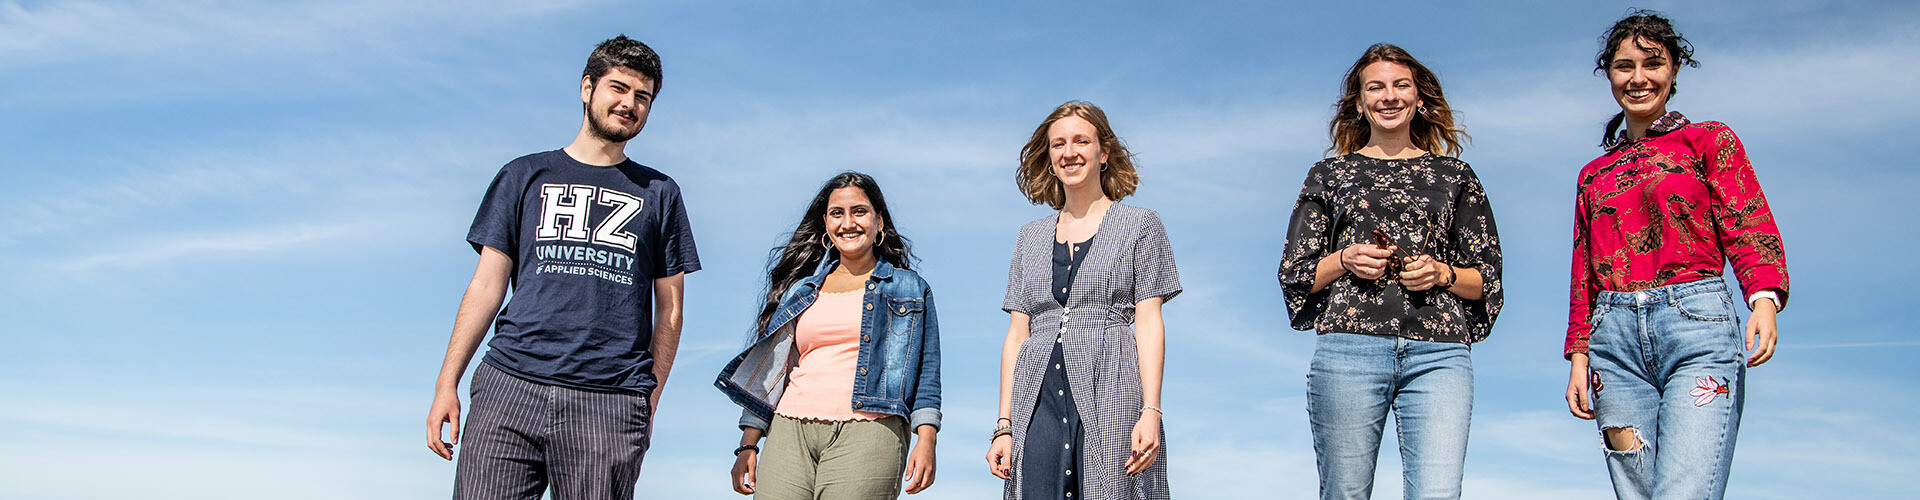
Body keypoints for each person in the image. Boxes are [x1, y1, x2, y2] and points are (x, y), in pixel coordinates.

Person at [424, 35, 700, 499]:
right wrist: (446, 381)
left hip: (610, 399)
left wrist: (647, 401)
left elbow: (669, 310)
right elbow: (486, 287)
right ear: (586, 87)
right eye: (618, 88)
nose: (629, 104)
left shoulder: (660, 193)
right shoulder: (524, 175)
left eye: (643, 97)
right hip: (509, 386)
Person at [1562, 11, 1789, 500]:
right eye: (1624, 67)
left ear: (1674, 71)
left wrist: (1764, 297)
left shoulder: (1707, 139)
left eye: (1653, 64)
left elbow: (1746, 217)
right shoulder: (1593, 174)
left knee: (1682, 491)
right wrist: (1579, 355)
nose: (1638, 78)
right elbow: (1585, 268)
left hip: (1696, 326)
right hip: (1613, 346)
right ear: (1609, 74)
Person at [1277, 43, 1504, 500]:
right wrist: (1345, 259)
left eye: (1401, 85)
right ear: (1359, 104)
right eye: (1375, 87)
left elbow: (1487, 280)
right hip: (1348, 350)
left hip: (1439, 354)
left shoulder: (1455, 175)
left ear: (1419, 98)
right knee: (1345, 492)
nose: (1389, 96)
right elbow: (1296, 272)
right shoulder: (1328, 174)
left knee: (1438, 493)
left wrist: (1441, 272)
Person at [984, 101, 1182, 500]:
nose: (1069, 152)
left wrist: (1151, 410)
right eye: (1058, 144)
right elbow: (1016, 335)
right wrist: (1003, 425)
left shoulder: (1141, 225)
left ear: (1104, 152)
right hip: (1035, 393)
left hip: (1112, 380)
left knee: (1113, 488)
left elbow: (1148, 321)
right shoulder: (1029, 237)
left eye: (1081, 141)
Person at [716, 172, 942, 499]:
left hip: (869, 430)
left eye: (859, 211)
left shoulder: (909, 287)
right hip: (789, 430)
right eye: (837, 213)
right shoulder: (802, 291)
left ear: (879, 222)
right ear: (826, 224)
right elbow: (774, 371)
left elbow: (927, 371)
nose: (848, 222)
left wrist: (927, 439)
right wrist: (747, 445)